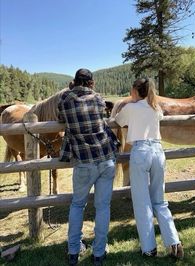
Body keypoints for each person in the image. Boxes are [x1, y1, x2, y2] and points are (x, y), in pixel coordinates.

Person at [114, 78, 184, 259]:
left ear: (136, 91)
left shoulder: (130, 107)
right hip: (158, 152)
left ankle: (149, 248)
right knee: (160, 200)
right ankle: (174, 241)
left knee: (142, 202)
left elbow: (118, 121)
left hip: (141, 152)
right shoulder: (155, 108)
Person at [57, 68, 118, 266]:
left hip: (83, 162)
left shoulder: (65, 100)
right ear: (91, 83)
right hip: (105, 157)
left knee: (77, 205)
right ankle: (99, 253)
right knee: (103, 207)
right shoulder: (99, 99)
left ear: (74, 82)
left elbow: (60, 118)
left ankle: (73, 251)